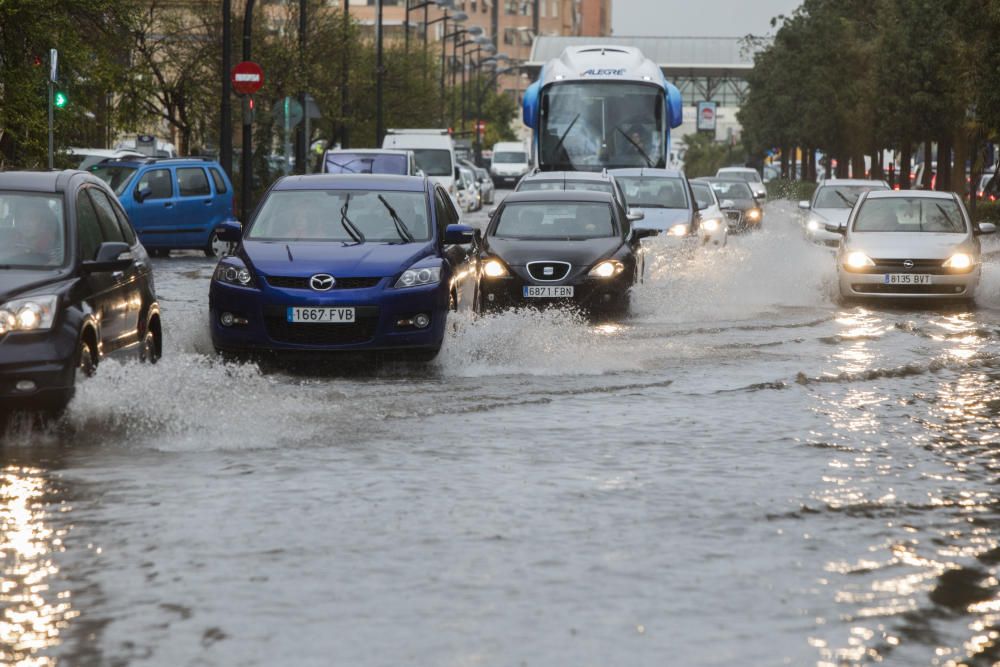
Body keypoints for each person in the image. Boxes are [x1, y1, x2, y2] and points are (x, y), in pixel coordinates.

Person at [18, 201, 62, 265]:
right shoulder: (9, 242)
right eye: (21, 217)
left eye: (31, 218)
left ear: (42, 221)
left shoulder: (54, 246)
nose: (25, 223)